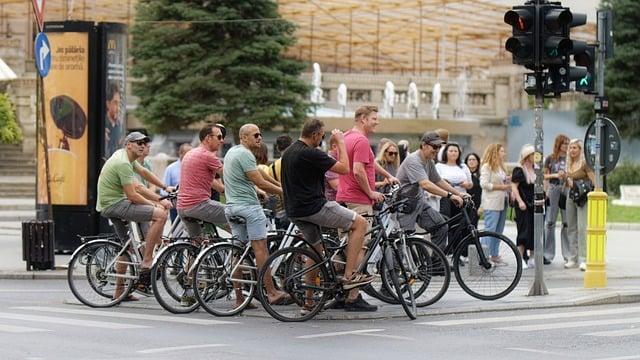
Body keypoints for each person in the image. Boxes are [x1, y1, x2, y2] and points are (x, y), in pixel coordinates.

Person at [281, 118, 375, 312]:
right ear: (315, 134)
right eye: (322, 136)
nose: (322, 139)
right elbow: (344, 169)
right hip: (314, 207)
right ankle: (350, 275)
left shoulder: (290, 151)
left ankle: (308, 302)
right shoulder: (311, 153)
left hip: (295, 211)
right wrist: (340, 141)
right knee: (360, 224)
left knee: (315, 253)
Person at [96, 131, 172, 299]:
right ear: (128, 144)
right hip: (116, 204)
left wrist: (165, 188)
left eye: (145, 143)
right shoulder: (123, 163)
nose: (143, 146)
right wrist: (156, 203)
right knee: (160, 215)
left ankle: (118, 293)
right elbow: (133, 195)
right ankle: (147, 260)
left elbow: (144, 174)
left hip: (108, 205)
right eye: (139, 143)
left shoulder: (125, 157)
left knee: (126, 248)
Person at [223, 124, 290, 306]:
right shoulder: (246, 154)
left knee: (238, 252)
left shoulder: (231, 152)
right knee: (261, 249)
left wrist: (262, 189)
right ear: (243, 138)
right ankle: (271, 292)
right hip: (249, 208)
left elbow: (247, 178)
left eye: (260, 134)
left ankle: (239, 298)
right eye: (255, 135)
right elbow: (260, 180)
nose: (259, 138)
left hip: (231, 207)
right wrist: (285, 192)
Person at [336, 105, 397, 249]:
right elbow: (358, 170)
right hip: (359, 200)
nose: (377, 122)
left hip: (343, 197)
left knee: (345, 245)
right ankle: (355, 273)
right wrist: (370, 192)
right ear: (363, 119)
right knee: (360, 247)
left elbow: (369, 162)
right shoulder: (361, 140)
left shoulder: (346, 137)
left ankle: (346, 271)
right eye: (374, 119)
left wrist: (388, 175)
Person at [396, 131, 464, 251]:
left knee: (441, 227)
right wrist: (450, 196)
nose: (437, 150)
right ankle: (396, 268)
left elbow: (438, 180)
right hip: (404, 206)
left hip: (419, 203)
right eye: (435, 147)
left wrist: (458, 193)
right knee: (403, 241)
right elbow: (425, 184)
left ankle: (436, 266)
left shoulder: (429, 161)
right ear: (424, 145)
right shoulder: (413, 160)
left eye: (439, 147)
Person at [564, 139, 595, 271]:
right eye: (570, 148)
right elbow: (568, 183)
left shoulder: (585, 163)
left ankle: (584, 259)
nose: (572, 150)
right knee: (571, 227)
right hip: (571, 195)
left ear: (580, 149)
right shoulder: (569, 163)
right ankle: (573, 258)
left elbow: (594, 182)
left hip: (583, 197)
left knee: (582, 228)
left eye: (575, 148)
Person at [435, 142, 473, 250]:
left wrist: (466, 185)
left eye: (455, 151)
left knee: (460, 225)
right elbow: (435, 181)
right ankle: (446, 250)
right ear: (446, 152)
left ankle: (458, 252)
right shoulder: (439, 166)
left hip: (462, 198)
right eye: (451, 151)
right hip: (445, 198)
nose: (453, 153)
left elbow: (470, 184)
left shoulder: (463, 166)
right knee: (446, 224)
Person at [479, 143, 510, 264]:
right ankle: (484, 256)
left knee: (498, 230)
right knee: (490, 229)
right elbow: (484, 184)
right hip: (492, 202)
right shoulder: (487, 166)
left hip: (503, 201)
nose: (504, 153)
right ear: (495, 152)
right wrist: (501, 187)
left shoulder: (501, 167)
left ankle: (494, 254)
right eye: (502, 151)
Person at [543, 134, 570, 264]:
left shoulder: (571, 158)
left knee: (567, 223)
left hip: (566, 189)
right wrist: (556, 175)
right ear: (558, 144)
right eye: (564, 143)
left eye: (568, 143)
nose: (566, 146)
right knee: (550, 223)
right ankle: (547, 254)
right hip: (553, 188)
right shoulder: (551, 158)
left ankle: (568, 255)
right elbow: (544, 175)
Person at [511, 145, 536, 269]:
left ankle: (532, 257)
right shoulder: (519, 169)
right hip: (523, 203)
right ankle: (520, 258)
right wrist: (520, 201)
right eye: (532, 155)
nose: (535, 157)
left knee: (534, 230)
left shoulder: (536, 169)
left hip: (534, 204)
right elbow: (514, 187)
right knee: (523, 230)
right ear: (527, 156)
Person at [162, 143, 192, 222]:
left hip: (192, 204)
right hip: (176, 204)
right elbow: (164, 188)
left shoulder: (195, 168)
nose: (190, 156)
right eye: (187, 153)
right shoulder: (171, 169)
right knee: (176, 232)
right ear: (180, 153)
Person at [104, 83, 123, 159]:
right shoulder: (104, 125)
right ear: (108, 104)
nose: (118, 108)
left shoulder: (118, 125)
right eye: (115, 103)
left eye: (119, 103)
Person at [464, 152, 482, 228]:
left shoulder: (481, 175)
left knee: (474, 225)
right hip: (465, 203)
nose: (471, 161)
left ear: (478, 162)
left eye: (474, 160)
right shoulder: (463, 174)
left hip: (477, 204)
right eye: (469, 160)